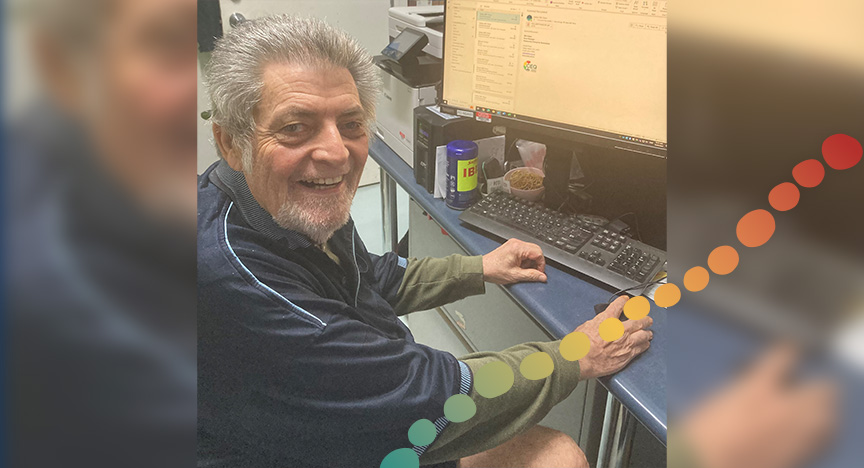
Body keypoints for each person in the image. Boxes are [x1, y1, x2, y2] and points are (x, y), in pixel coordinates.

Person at [197, 15, 653, 468]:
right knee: (558, 457)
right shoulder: (237, 279)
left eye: (351, 123)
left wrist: (479, 268)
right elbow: (423, 393)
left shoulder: (276, 206)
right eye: (295, 127)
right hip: (314, 445)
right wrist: (574, 356)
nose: (336, 152)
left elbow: (367, 276)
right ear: (230, 142)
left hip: (332, 411)